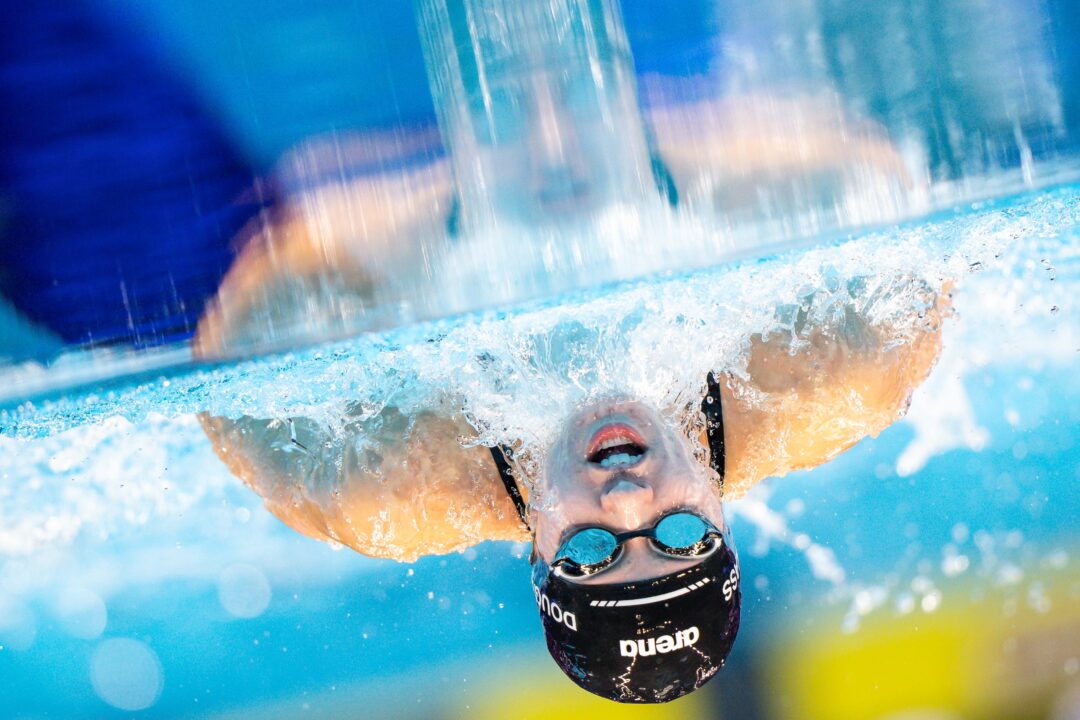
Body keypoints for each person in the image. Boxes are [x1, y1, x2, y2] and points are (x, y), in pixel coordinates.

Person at [194, 0, 945, 703]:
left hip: (359, 127)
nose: (625, 501)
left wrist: (431, 208)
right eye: (681, 537)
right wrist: (630, 173)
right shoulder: (814, 388)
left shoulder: (400, 486)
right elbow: (881, 186)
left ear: (538, 556)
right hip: (667, 90)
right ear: (721, 515)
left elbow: (229, 363)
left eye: (590, 552)